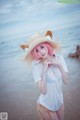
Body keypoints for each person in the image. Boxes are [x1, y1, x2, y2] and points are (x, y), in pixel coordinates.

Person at [20, 30, 68, 120]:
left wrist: (59, 65)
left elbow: (66, 81)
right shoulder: (36, 66)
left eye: (42, 47)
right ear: (35, 54)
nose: (41, 52)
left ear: (47, 46)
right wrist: (44, 70)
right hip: (46, 106)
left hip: (60, 102)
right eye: (37, 51)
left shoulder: (59, 58)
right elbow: (43, 91)